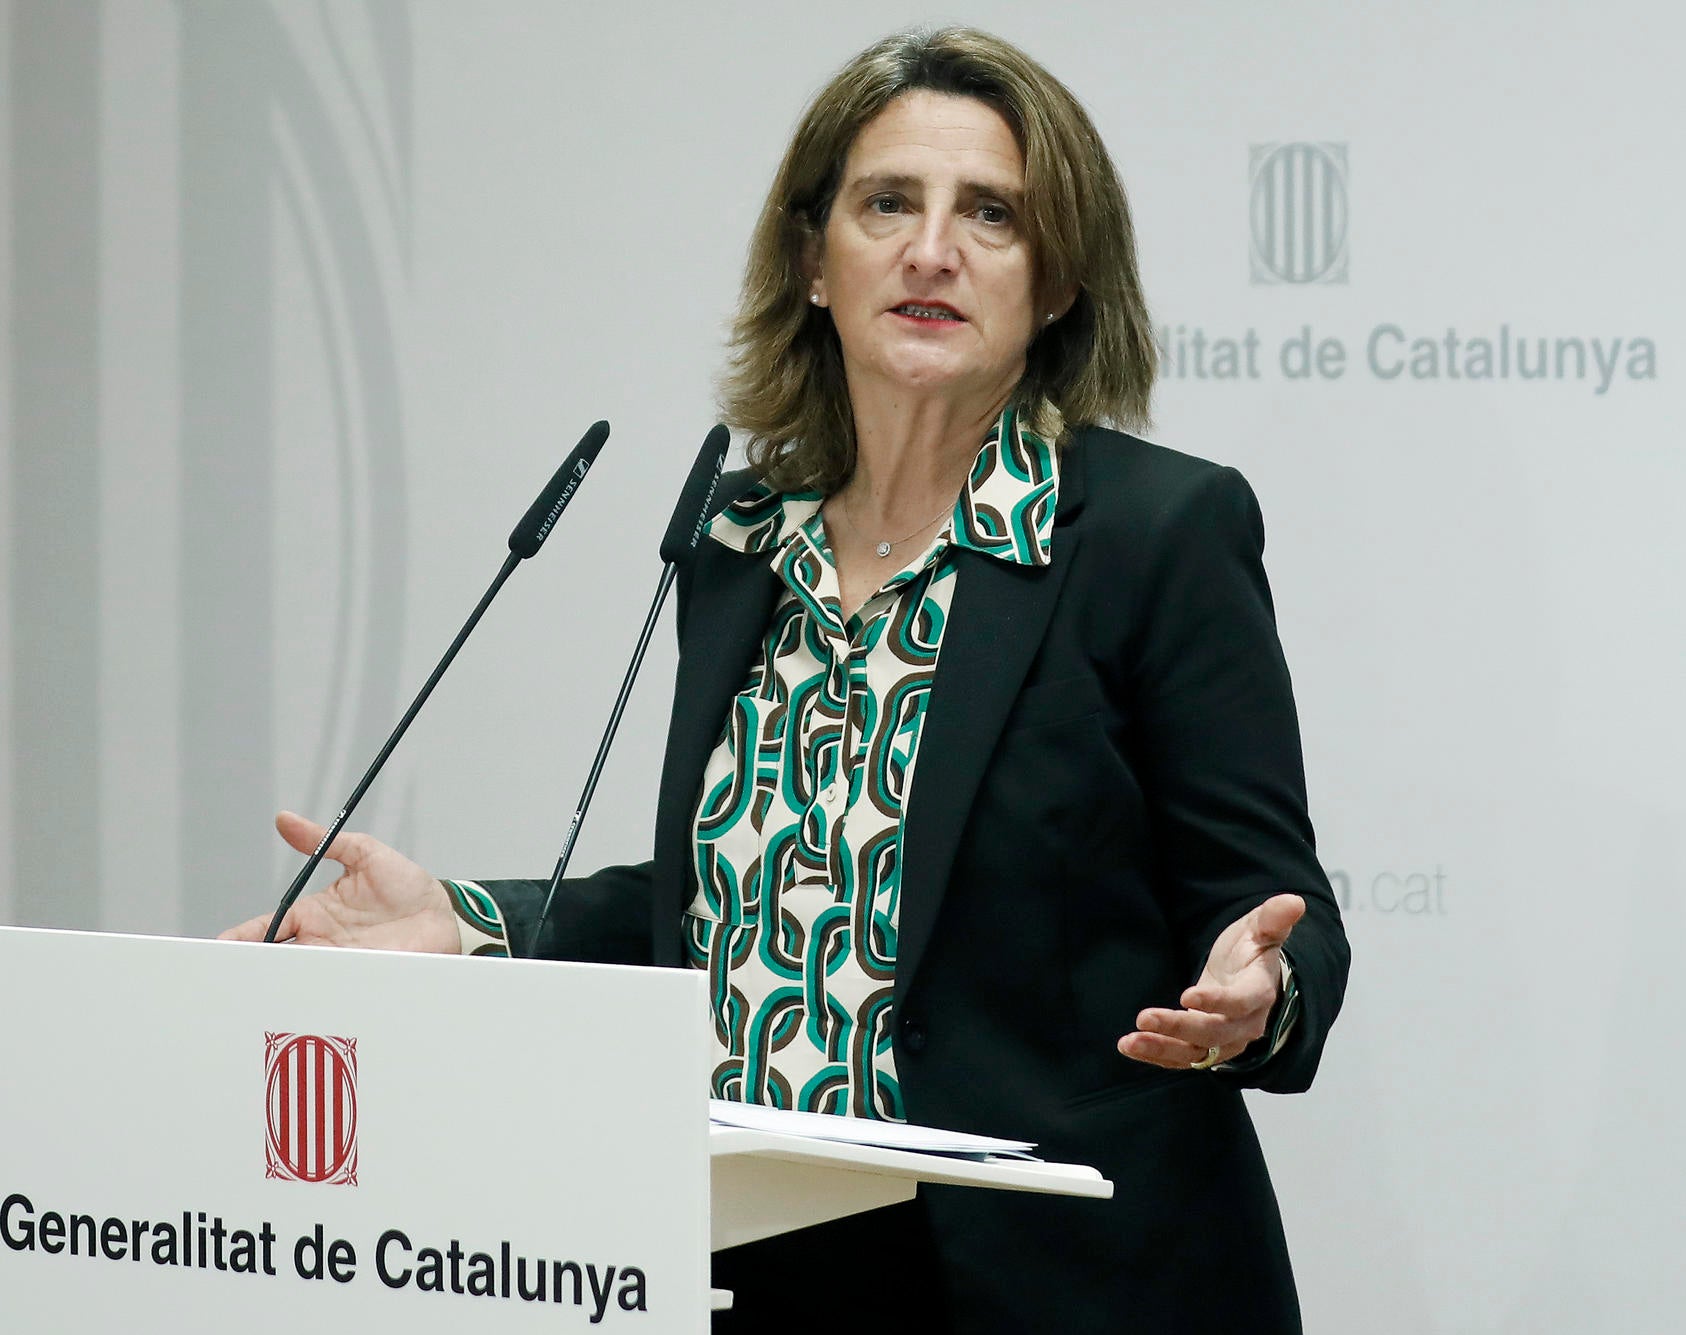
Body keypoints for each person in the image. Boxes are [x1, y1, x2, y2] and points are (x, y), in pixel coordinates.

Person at [224, 25, 1349, 1333]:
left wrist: (1256, 1000)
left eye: (990, 213)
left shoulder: (1156, 536)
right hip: (756, 1261)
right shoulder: (745, 536)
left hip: (1059, 1282)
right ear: (814, 259)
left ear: (1054, 284)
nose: (932, 249)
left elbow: (1275, 911)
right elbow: (730, 893)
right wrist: (468, 916)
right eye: (888, 203)